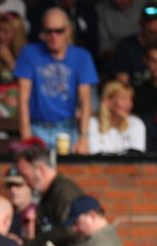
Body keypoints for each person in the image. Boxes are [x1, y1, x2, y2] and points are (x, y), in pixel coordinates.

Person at [14, 7, 97, 151]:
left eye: (59, 31)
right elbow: (23, 98)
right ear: (43, 33)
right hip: (36, 127)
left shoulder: (82, 57)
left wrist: (84, 137)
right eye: (49, 31)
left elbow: (85, 101)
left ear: (69, 30)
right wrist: (26, 135)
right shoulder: (29, 53)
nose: (54, 36)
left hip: (68, 128)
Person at [14, 145, 83, 246]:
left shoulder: (63, 190)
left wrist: (33, 245)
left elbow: (68, 229)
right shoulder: (50, 192)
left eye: (26, 176)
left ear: (40, 170)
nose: (26, 182)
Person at [112, 2, 157, 87]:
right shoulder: (125, 46)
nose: (155, 36)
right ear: (141, 24)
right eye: (151, 32)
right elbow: (122, 83)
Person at [89, 80, 145, 154]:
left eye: (130, 99)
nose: (129, 104)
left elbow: (137, 159)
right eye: (123, 99)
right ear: (108, 102)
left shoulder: (136, 124)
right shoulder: (91, 124)